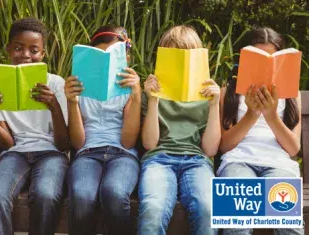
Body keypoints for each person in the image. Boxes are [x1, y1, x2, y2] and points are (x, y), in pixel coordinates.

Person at [0, 17, 69, 235]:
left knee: (46, 194)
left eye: (34, 50)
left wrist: (54, 107)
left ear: (43, 53)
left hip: (51, 153)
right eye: (19, 48)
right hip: (16, 153)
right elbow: (8, 142)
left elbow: (63, 144)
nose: (26, 55)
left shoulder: (56, 84)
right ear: (9, 49)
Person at [218, 27, 303, 235]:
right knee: (235, 224)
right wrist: (252, 114)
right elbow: (224, 146)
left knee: (290, 226)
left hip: (279, 165)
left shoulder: (292, 95)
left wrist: (271, 115)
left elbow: (293, 149)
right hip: (238, 162)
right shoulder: (227, 93)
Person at [137, 25, 220, 235]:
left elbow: (210, 149)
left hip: (196, 161)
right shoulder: (151, 90)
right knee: (153, 209)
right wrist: (153, 101)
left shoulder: (207, 94)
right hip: (158, 159)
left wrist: (214, 105)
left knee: (208, 210)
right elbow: (149, 144)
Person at [65, 25, 141, 235]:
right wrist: (72, 102)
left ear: (126, 56)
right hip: (87, 153)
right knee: (82, 196)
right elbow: (79, 143)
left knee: (114, 193)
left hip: (122, 154)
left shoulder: (129, 89)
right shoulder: (79, 88)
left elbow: (128, 142)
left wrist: (136, 96)